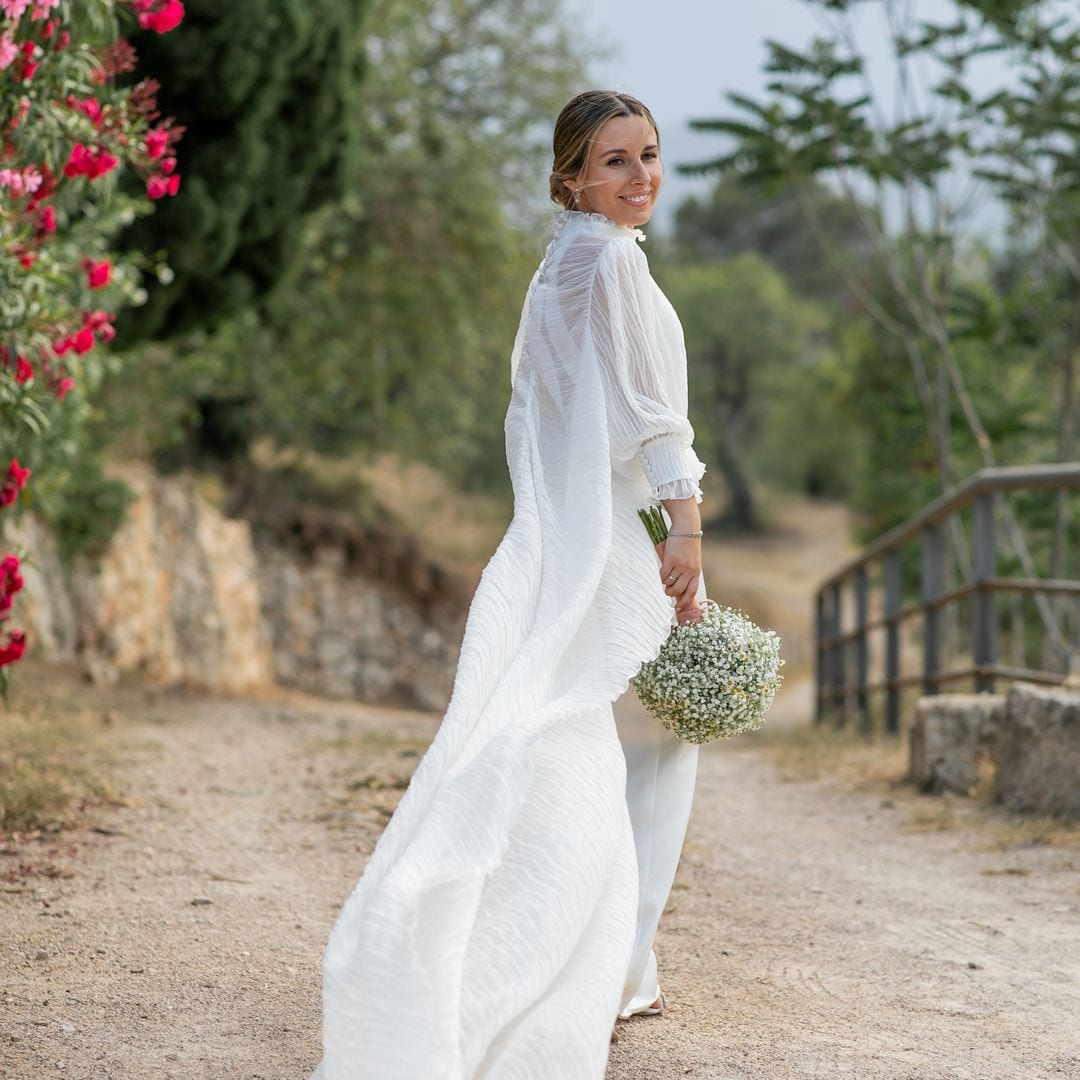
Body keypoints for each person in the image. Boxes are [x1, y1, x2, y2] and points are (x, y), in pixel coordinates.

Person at [312, 89, 707, 1080]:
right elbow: (653, 415)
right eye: (615, 161)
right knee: (658, 746)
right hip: (623, 535)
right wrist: (685, 526)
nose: (640, 176)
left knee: (575, 741)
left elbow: (535, 417)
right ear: (572, 175)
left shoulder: (561, 264)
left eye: (649, 154)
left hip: (569, 533)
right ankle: (616, 963)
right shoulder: (609, 261)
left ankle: (610, 949)